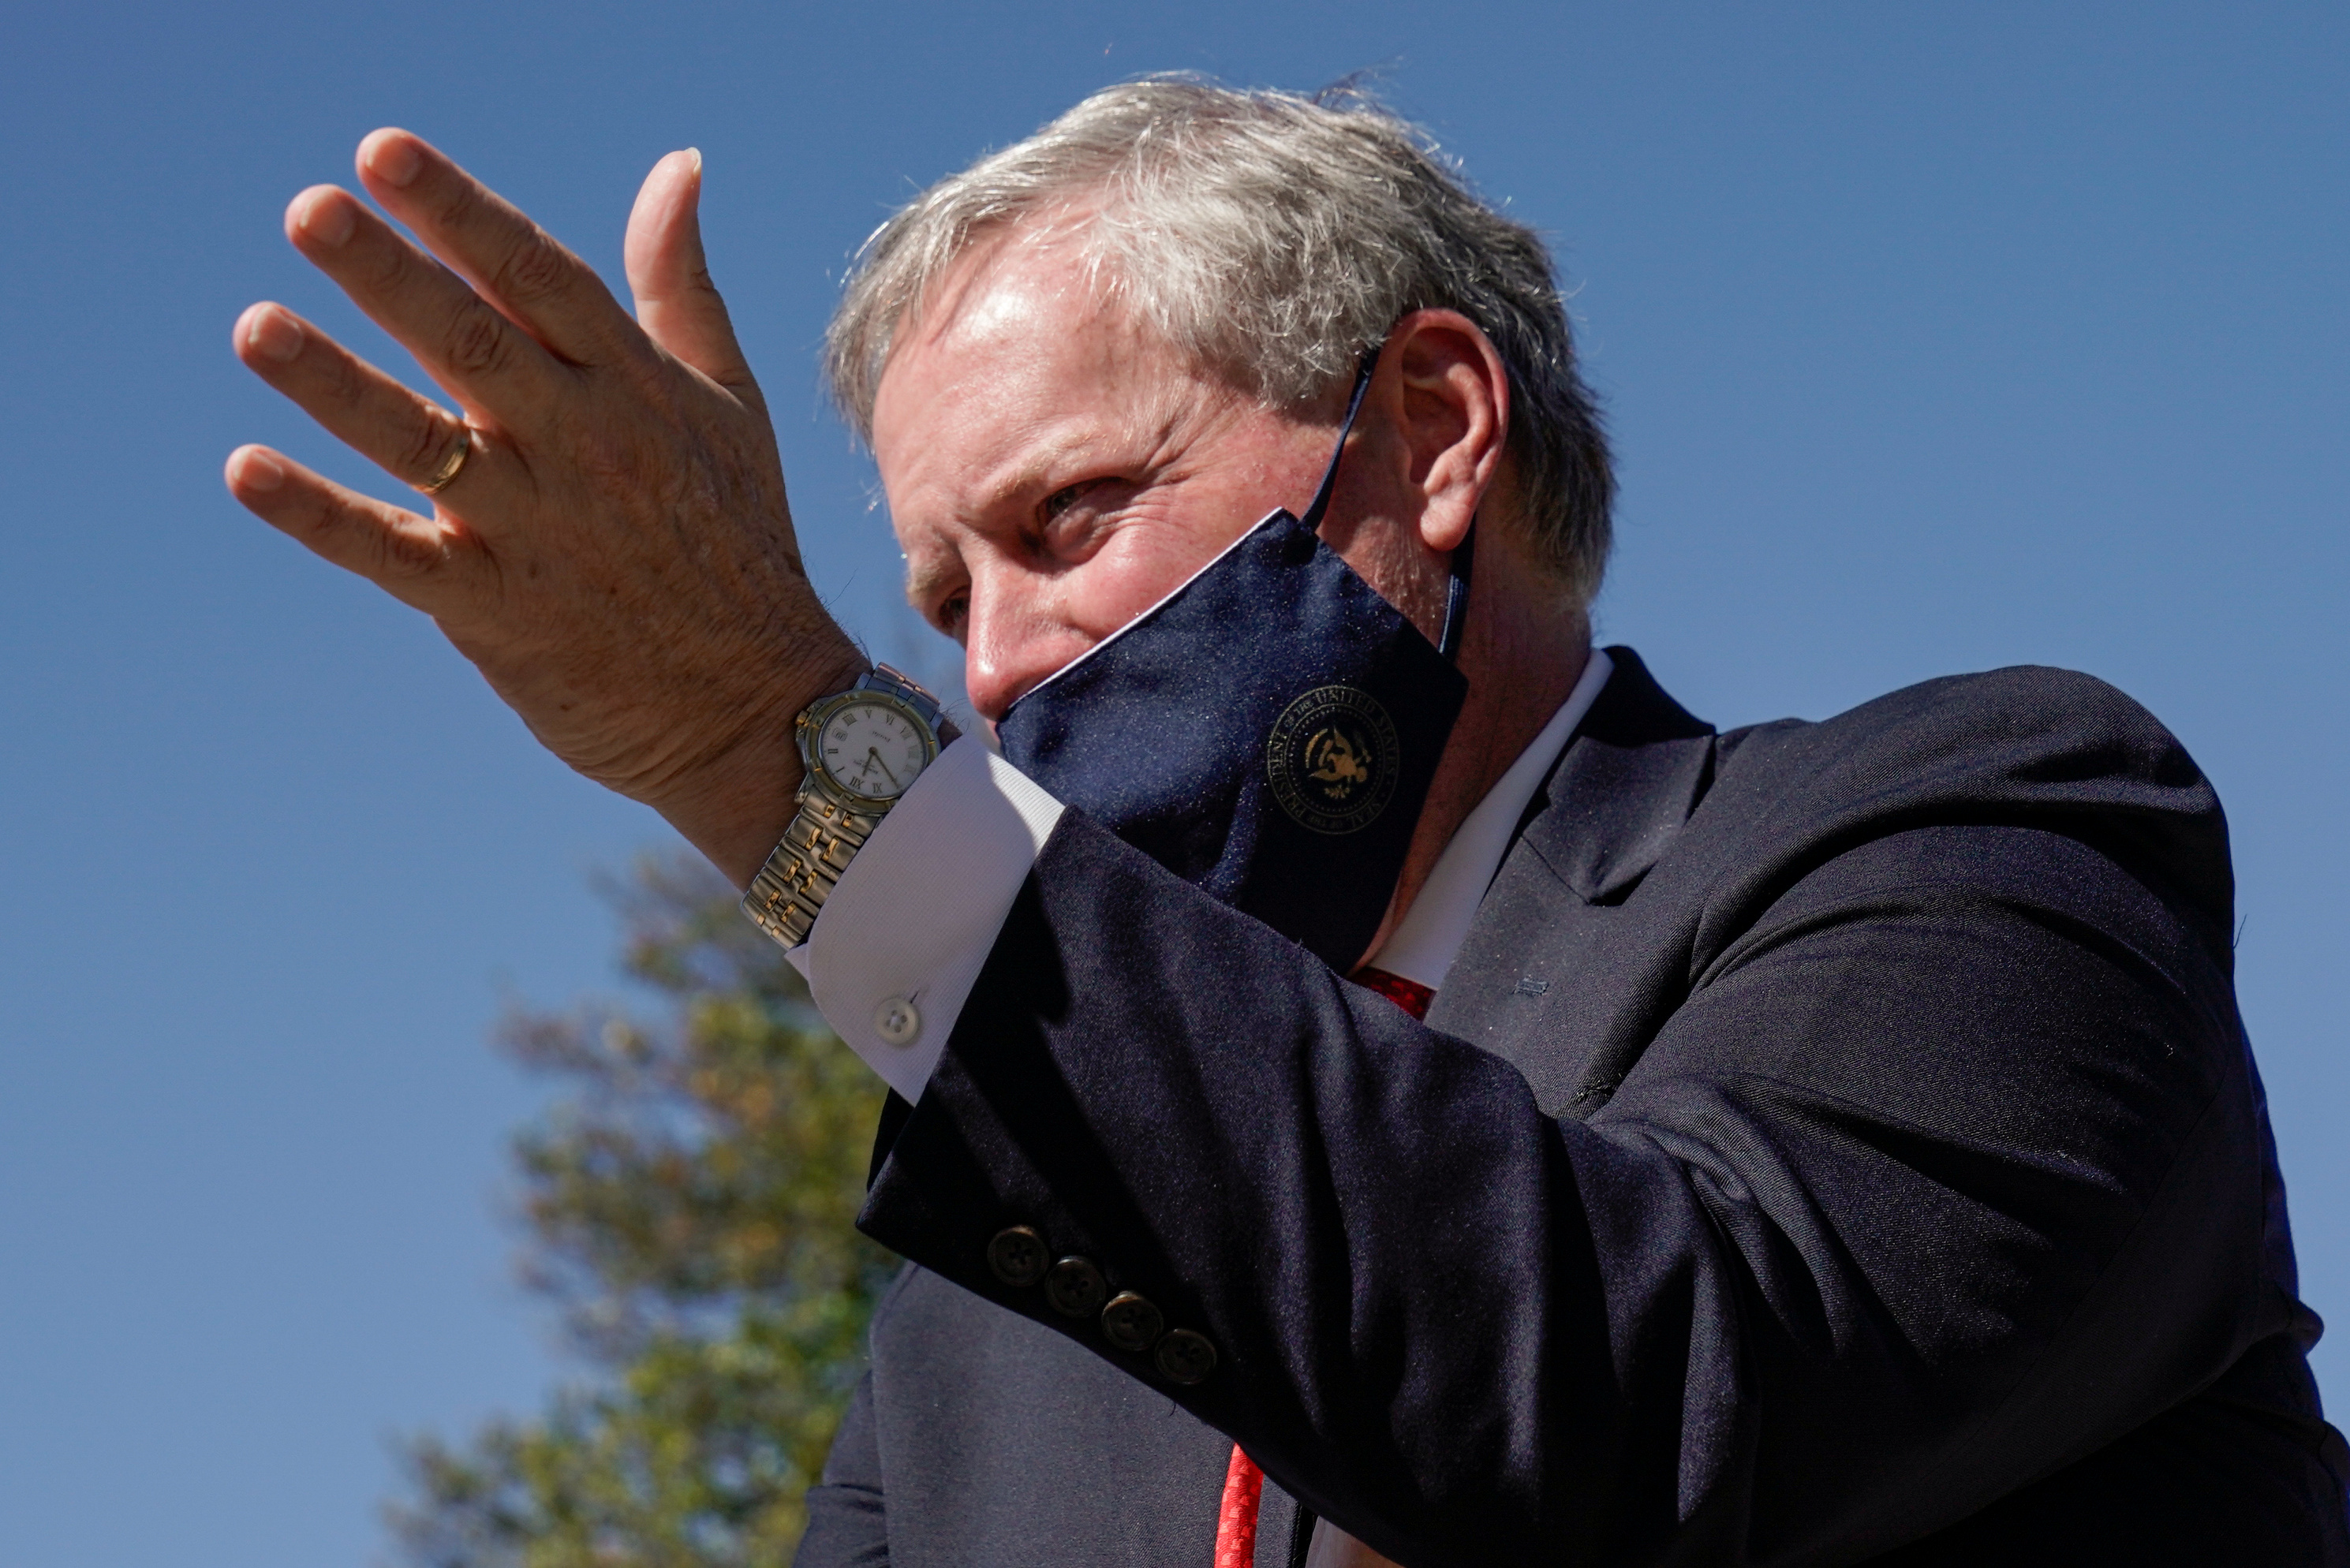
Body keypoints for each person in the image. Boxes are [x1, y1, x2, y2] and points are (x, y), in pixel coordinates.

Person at [226, 81, 2348, 1566]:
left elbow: (1648, 1404)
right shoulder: (987, 1312)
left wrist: (765, 744)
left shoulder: (1981, 837)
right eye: (941, 601)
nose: (983, 672)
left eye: (1065, 515)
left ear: (1429, 430)